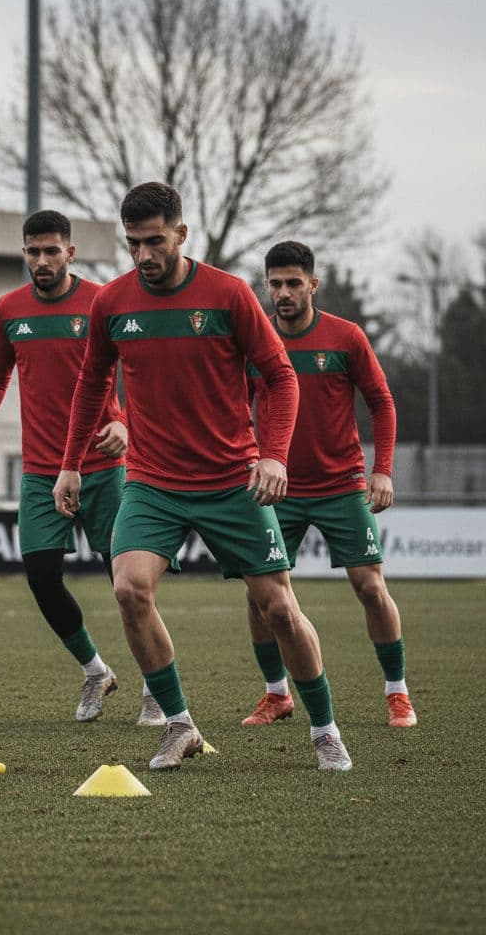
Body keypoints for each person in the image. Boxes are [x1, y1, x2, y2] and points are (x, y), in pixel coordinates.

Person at [53, 182, 353, 772]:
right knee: (128, 589)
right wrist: (70, 464)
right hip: (152, 482)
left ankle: (324, 729)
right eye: (134, 243)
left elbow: (281, 377)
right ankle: (180, 724)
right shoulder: (112, 302)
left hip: (231, 479)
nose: (144, 254)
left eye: (156, 241)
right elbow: (91, 387)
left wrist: (273, 455)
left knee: (279, 609)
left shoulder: (229, 294)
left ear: (181, 234)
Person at [0, 209, 165, 726]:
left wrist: (128, 426)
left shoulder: (100, 301)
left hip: (103, 468)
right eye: (32, 252)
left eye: (51, 251)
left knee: (131, 585)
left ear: (70, 253)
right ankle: (96, 671)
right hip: (41, 473)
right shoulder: (10, 309)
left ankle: (158, 688)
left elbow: (141, 370)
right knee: (43, 579)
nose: (41, 261)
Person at [241, 241, 416, 728]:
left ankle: (397, 693)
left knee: (370, 587)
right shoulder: (255, 343)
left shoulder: (346, 337)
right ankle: (276, 695)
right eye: (274, 284)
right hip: (277, 489)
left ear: (313, 284)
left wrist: (382, 470)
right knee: (260, 596)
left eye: (293, 283)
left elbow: (381, 401)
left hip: (342, 485)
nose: (283, 293)